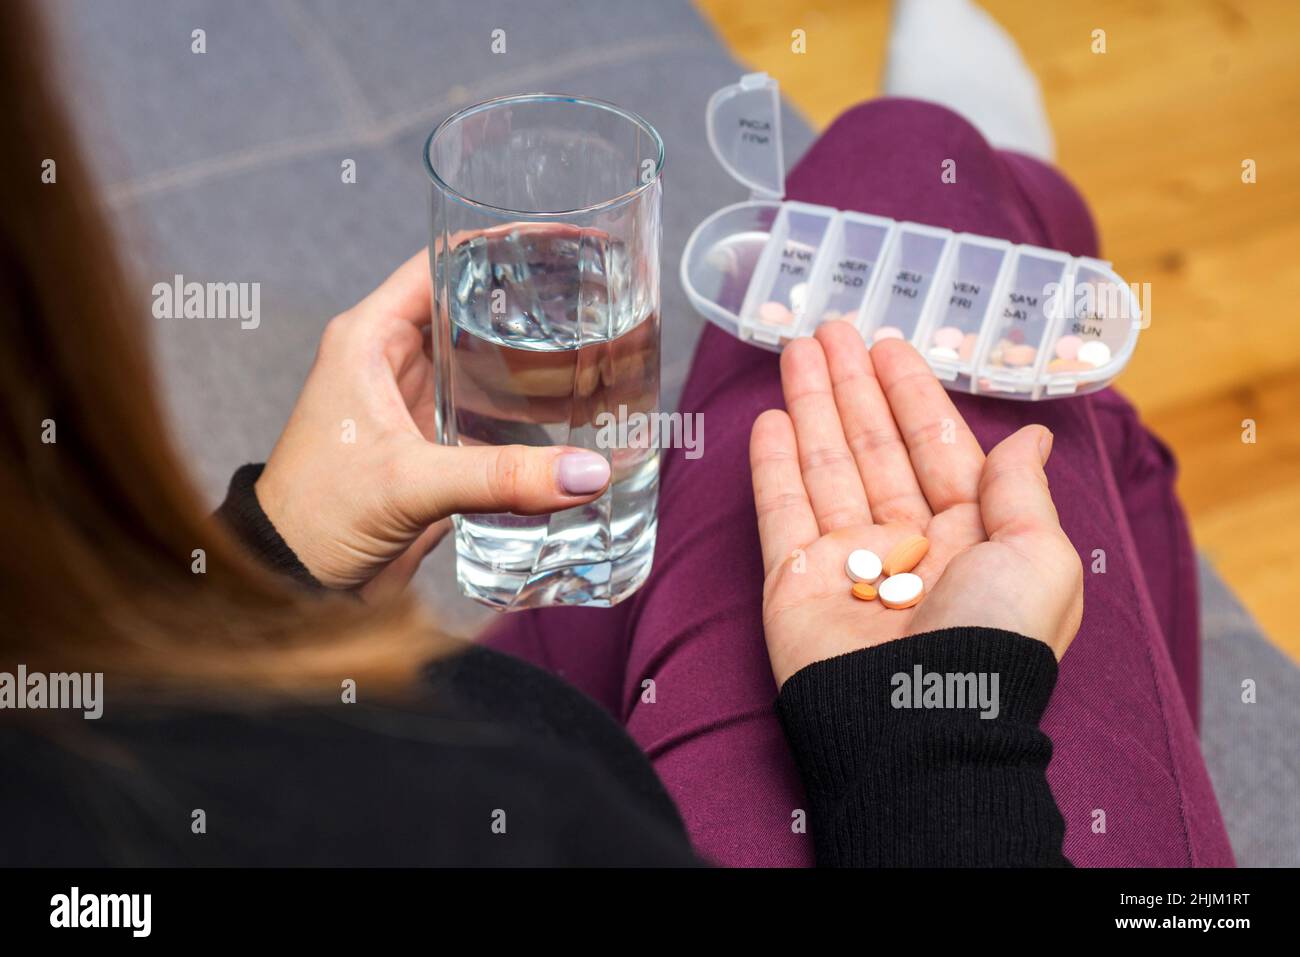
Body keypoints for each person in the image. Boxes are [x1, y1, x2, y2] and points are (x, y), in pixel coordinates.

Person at [0, 0, 1231, 867]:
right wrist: (932, 749)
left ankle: (1072, 346)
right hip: (869, 781)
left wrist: (262, 576)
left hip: (503, 681)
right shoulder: (426, 814)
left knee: (1006, 385)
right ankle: (1020, 209)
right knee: (911, 171)